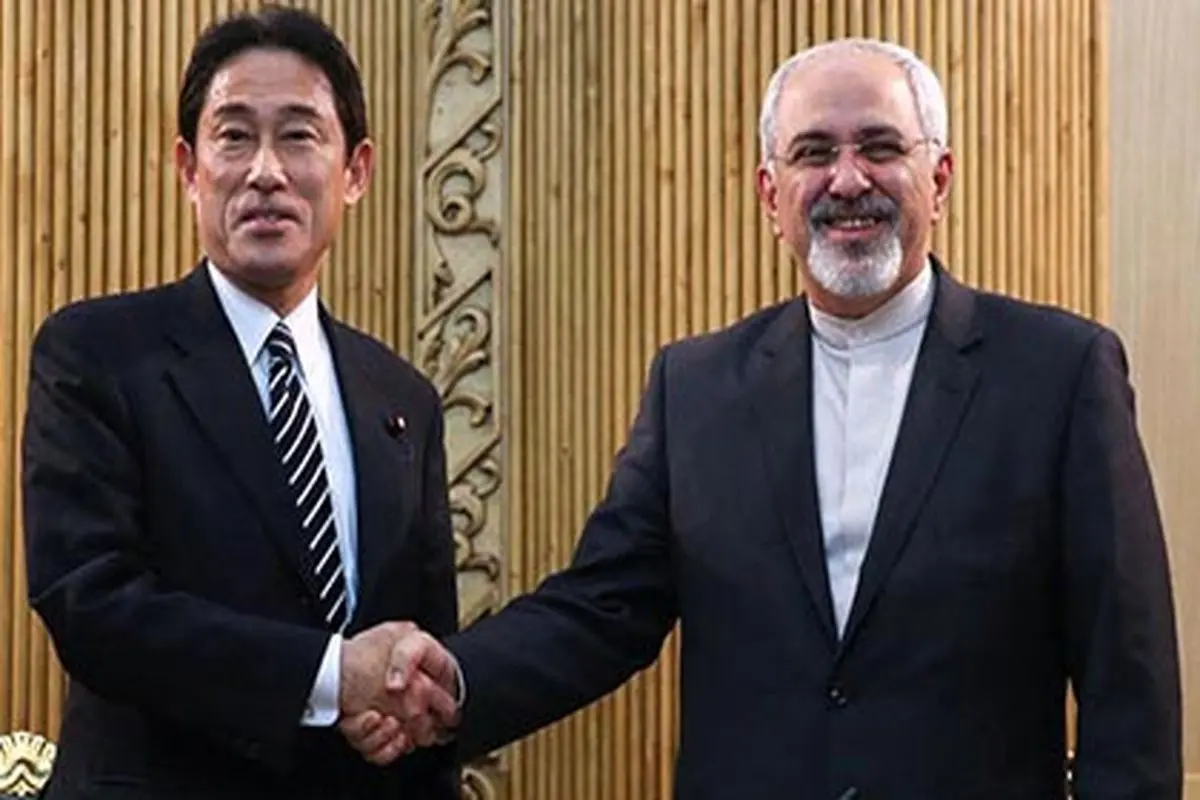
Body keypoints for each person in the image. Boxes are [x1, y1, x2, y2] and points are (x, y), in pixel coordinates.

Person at [349, 37, 1184, 799]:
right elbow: (602, 609)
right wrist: (453, 680)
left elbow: (1128, 671)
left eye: (880, 147)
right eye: (814, 153)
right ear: (769, 194)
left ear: (939, 178)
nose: (847, 180)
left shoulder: (1059, 372)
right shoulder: (696, 389)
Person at [21, 7, 460, 798]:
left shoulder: (403, 400)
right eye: (233, 136)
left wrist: (398, 704)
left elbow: (421, 650)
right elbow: (90, 603)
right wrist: (332, 678)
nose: (265, 171)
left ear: (356, 171)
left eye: (298, 136)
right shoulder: (97, 354)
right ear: (189, 168)